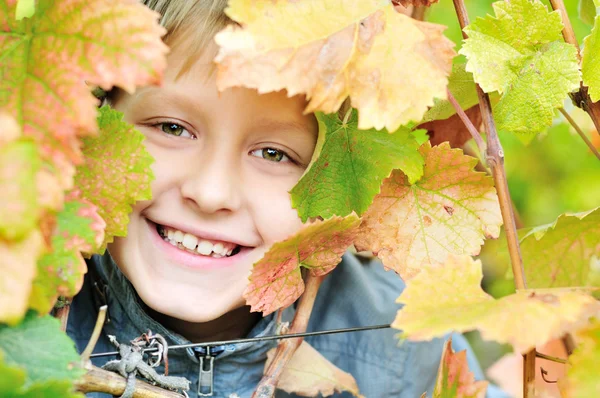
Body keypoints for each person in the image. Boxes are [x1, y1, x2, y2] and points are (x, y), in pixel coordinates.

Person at [66, 1, 509, 397]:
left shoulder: (397, 346)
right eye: (171, 128)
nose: (209, 192)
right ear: (94, 117)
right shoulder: (25, 295)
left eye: (275, 154)